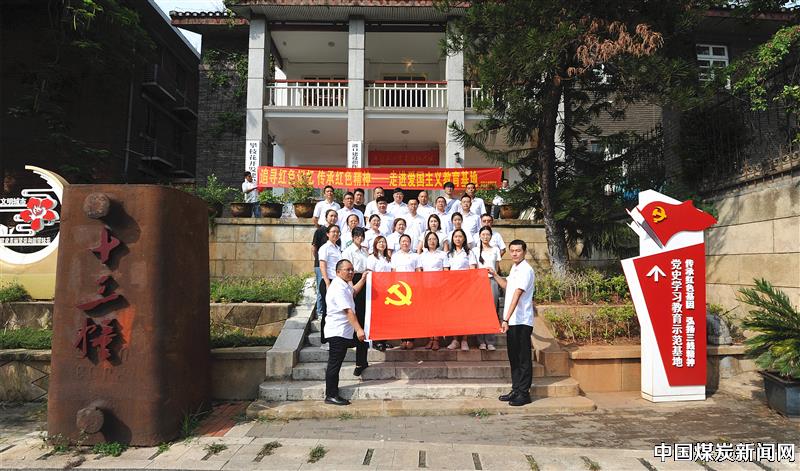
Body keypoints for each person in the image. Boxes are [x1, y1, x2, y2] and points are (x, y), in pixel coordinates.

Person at [489, 239, 535, 407]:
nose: (515, 253)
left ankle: (524, 393)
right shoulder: (515, 268)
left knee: (523, 358)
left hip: (522, 321)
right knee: (513, 357)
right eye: (512, 251)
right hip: (513, 321)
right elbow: (507, 286)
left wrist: (505, 319)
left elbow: (517, 294)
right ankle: (516, 389)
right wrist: (495, 274)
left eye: (518, 250)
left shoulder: (526, 270)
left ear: (524, 252)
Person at [323, 259, 368, 406]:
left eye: (352, 269)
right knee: (334, 364)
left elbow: (353, 292)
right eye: (347, 270)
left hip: (344, 331)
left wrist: (363, 279)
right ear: (338, 272)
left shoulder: (344, 285)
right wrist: (359, 329)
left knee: (360, 345)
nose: (351, 272)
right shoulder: (338, 288)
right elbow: (348, 311)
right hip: (337, 332)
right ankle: (331, 395)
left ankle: (361, 364)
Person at [341, 227, 370, 376]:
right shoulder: (348, 251)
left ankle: (362, 360)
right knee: (356, 320)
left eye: (361, 235)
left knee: (364, 320)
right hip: (355, 282)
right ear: (352, 237)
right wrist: (352, 289)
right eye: (357, 235)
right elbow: (348, 272)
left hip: (366, 283)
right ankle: (359, 361)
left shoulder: (365, 251)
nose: (359, 238)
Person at [417, 231, 449, 351]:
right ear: (426, 241)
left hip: (439, 288)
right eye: (429, 239)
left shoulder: (443, 254)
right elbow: (419, 271)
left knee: (438, 313)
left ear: (437, 241)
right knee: (428, 314)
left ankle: (437, 339)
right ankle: (430, 338)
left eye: (434, 239)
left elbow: (446, 271)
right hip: (426, 288)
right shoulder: (422, 256)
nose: (432, 241)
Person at [473, 226, 502, 351]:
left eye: (488, 234)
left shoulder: (495, 249)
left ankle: (490, 340)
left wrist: (495, 276)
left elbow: (497, 267)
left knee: (492, 310)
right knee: (480, 311)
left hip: (492, 281)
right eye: (483, 234)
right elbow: (473, 268)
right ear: (479, 236)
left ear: (491, 236)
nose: (485, 237)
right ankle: (481, 341)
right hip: (479, 282)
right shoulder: (474, 250)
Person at [446, 229, 476, 351]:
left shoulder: (469, 253)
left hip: (465, 286)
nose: (458, 239)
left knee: (465, 313)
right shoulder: (449, 254)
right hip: (453, 287)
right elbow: (446, 271)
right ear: (452, 239)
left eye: (460, 236)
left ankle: (464, 339)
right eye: (456, 237)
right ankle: (455, 339)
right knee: (454, 313)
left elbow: (472, 269)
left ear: (464, 239)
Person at [390, 234, 420, 350]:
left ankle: (411, 339)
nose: (405, 243)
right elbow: (393, 272)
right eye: (403, 241)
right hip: (399, 289)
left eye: (407, 241)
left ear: (410, 243)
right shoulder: (395, 256)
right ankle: (403, 339)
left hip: (412, 288)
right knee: (401, 315)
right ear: (399, 243)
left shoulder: (415, 256)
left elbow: (418, 271)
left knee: (412, 315)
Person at [318, 224, 343, 351]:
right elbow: (323, 265)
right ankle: (324, 341)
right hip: (328, 282)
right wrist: (327, 283)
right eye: (333, 231)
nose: (335, 234)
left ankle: (335, 338)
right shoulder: (325, 248)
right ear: (328, 234)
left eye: (337, 232)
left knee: (335, 312)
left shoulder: (338, 248)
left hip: (338, 282)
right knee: (327, 312)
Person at [311, 209, 339, 318]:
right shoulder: (319, 231)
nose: (333, 218)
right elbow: (314, 248)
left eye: (335, 216)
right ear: (326, 217)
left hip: (333, 271)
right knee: (321, 289)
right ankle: (320, 311)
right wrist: (319, 260)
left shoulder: (337, 237)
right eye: (331, 216)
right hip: (321, 265)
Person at [367, 235, 392, 352]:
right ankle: (377, 341)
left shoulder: (388, 258)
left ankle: (384, 339)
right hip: (377, 290)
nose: (382, 244)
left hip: (388, 290)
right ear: (375, 245)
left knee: (386, 316)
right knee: (377, 316)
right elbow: (369, 273)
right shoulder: (372, 258)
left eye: (384, 242)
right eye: (379, 242)